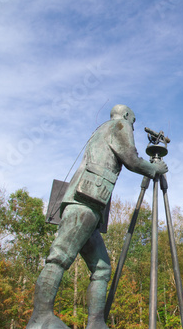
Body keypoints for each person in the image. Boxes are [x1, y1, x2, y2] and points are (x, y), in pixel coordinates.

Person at [27, 105, 168, 329]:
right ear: (128, 116)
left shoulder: (100, 130)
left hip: (90, 206)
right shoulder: (120, 125)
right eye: (133, 121)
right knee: (60, 257)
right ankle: (41, 316)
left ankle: (95, 322)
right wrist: (155, 169)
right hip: (85, 201)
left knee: (101, 268)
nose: (133, 125)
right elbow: (131, 159)